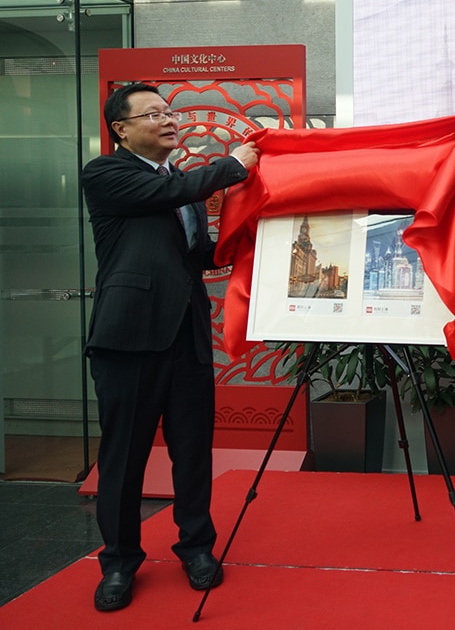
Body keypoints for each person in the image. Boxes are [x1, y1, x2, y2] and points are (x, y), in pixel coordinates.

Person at [82, 82, 259, 612]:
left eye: (169, 110)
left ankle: (197, 548)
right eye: (153, 113)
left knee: (191, 451)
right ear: (121, 129)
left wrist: (241, 246)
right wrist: (233, 165)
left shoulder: (179, 182)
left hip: (186, 336)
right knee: (123, 458)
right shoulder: (107, 174)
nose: (168, 119)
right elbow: (163, 198)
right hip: (128, 339)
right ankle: (118, 562)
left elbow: (193, 253)